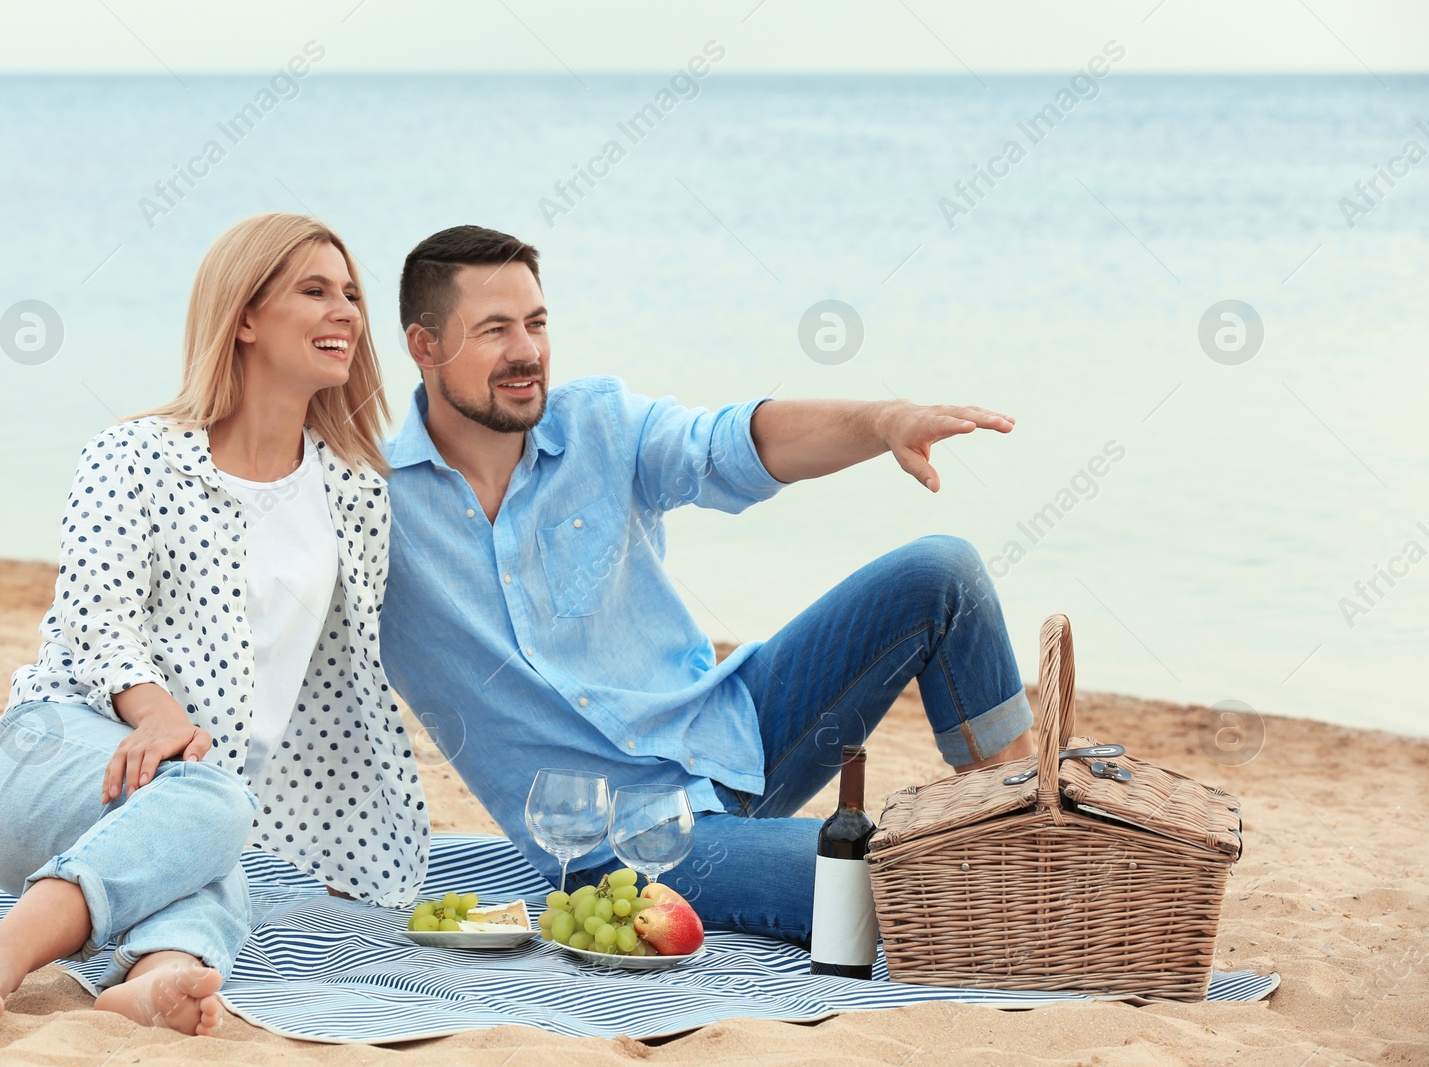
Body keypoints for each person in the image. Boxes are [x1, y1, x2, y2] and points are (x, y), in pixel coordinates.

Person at [378, 224, 1034, 945]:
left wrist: (882, 422)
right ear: (425, 345)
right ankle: (995, 890)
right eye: (494, 329)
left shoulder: (597, 421)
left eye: (536, 322)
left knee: (943, 571)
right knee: (853, 878)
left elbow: (736, 443)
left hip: (732, 729)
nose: (528, 351)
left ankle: (1027, 824)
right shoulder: (371, 506)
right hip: (620, 843)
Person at [0, 213, 429, 1034]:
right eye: (314, 290)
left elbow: (357, 671)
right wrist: (156, 715)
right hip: (52, 754)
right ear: (246, 317)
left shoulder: (355, 493)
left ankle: (159, 977)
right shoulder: (132, 455)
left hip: (195, 801)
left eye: (352, 294)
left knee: (214, 827)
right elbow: (94, 618)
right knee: (215, 807)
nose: (346, 311)